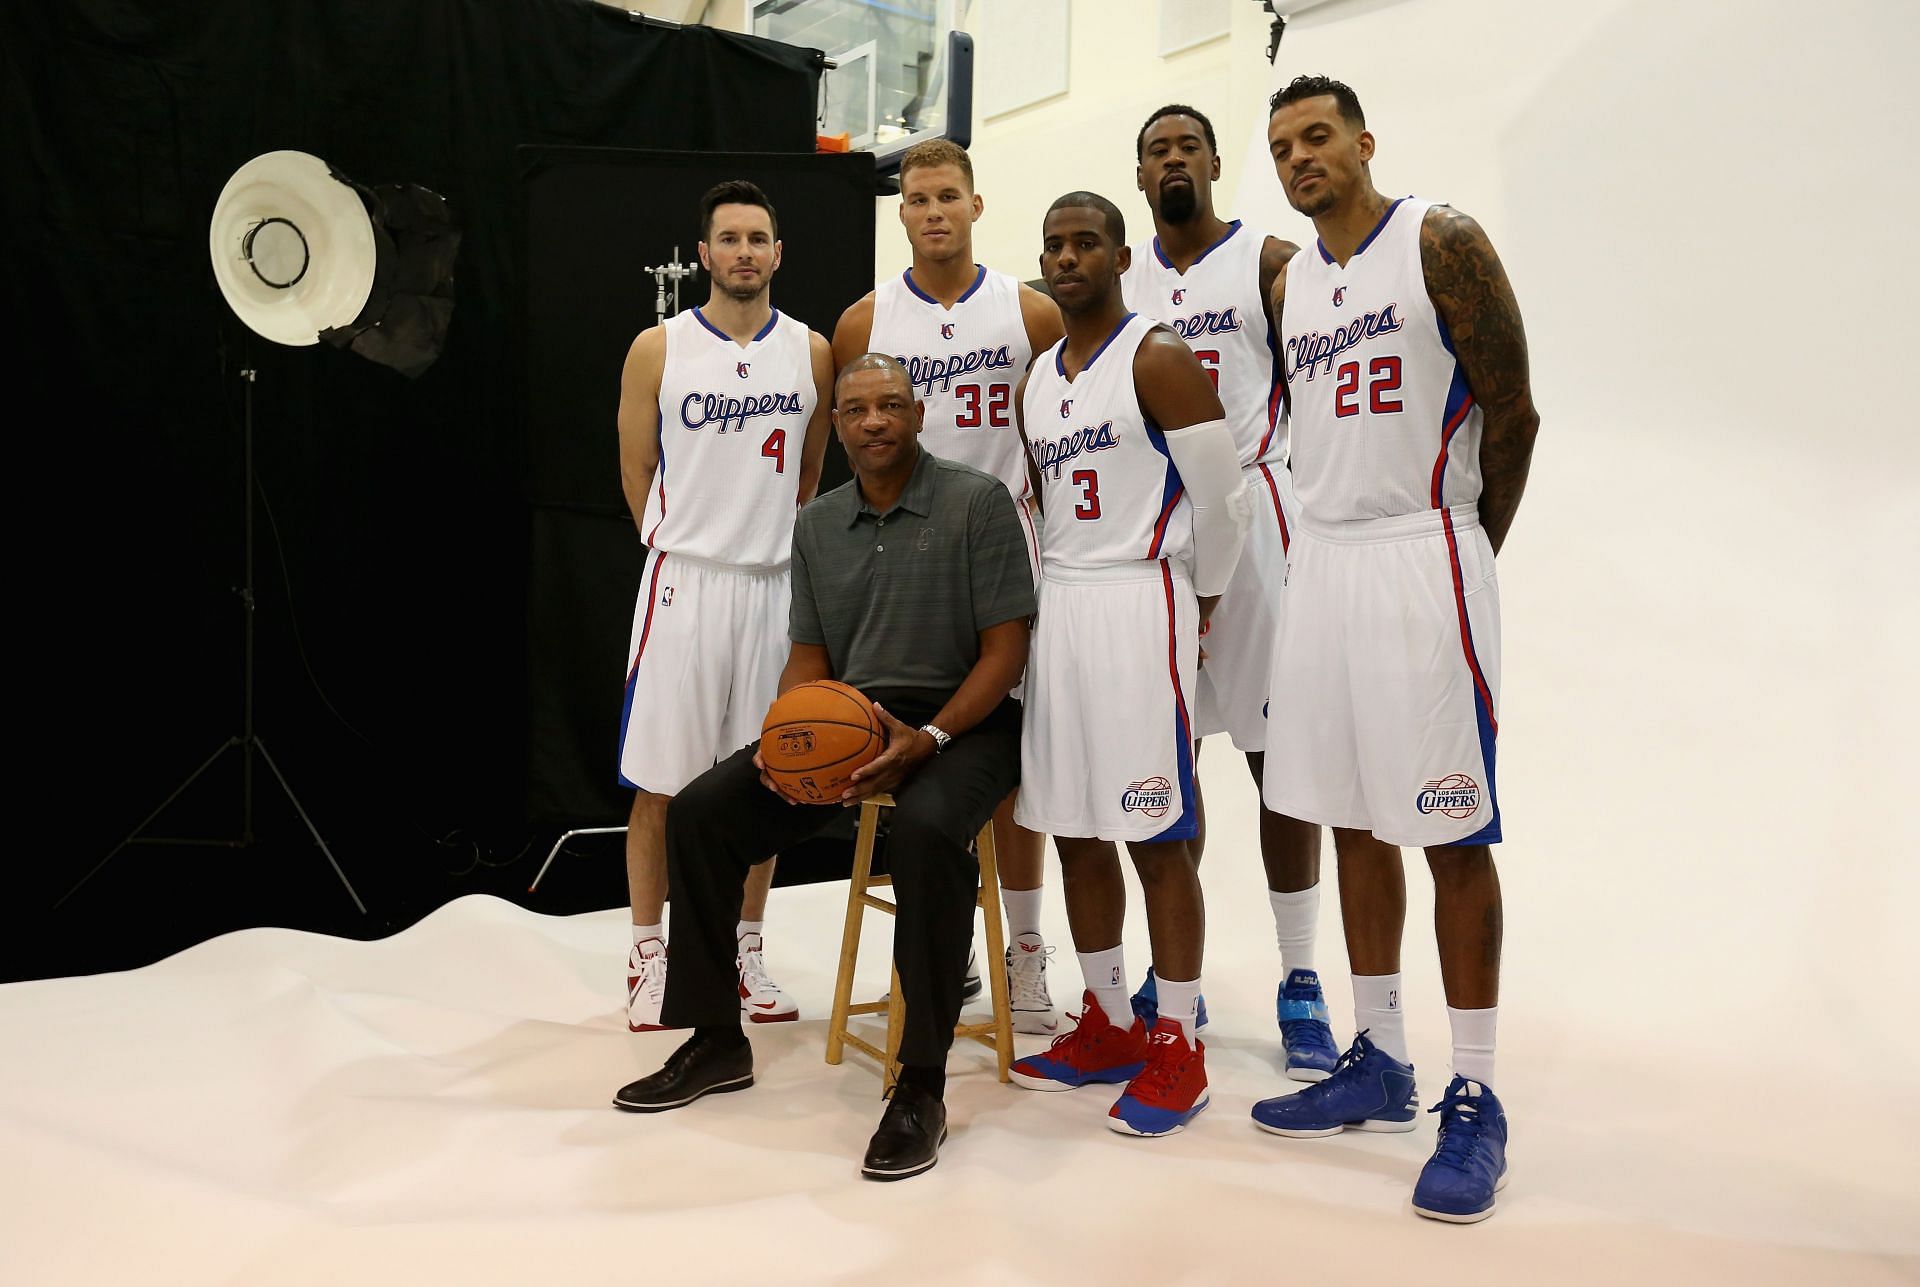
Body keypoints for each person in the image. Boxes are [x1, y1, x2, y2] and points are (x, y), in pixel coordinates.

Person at [612, 353, 1035, 1183]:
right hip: (854, 719)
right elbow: (808, 661)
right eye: (855, 410)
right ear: (835, 426)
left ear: (917, 416)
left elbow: (1006, 654)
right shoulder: (816, 524)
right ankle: (716, 1038)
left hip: (967, 721)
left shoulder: (977, 502)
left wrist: (932, 738)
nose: (873, 420)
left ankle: (920, 1085)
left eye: (889, 406)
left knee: (921, 830)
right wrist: (782, 746)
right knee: (703, 810)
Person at [1250, 76, 1541, 1225]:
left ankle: (1476, 1094)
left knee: (1449, 825)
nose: (1298, 157)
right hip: (1322, 559)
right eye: (1281, 146)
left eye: (1317, 136)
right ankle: (1376, 1056)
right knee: (1350, 814)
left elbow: (1514, 409)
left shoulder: (1441, 240)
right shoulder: (1291, 280)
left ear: (1364, 142)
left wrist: (1467, 545)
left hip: (1425, 549)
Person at [1007, 192, 1249, 1138]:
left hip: (1141, 596)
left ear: (1118, 254)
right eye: (1054, 245)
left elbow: (1223, 501)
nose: (1068, 258)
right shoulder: (1039, 377)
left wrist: (1206, 602)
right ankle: (1106, 1019)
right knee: (1073, 823)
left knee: (1156, 831)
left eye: (1085, 243)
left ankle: (1178, 1040)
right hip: (1061, 606)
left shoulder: (1158, 356)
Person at [1120, 103, 1338, 1082]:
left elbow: (1324, 383)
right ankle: (1179, 971)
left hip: (1252, 526)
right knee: (1167, 758)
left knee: (1275, 762)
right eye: (1156, 149)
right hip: (1150, 541)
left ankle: (1301, 979)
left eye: (1186, 146)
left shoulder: (1268, 261)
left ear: (1212, 162)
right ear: (1139, 174)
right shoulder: (1117, 278)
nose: (1173, 159)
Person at [833, 139, 1067, 1035]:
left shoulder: (1029, 311)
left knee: (1011, 763)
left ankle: (1030, 948)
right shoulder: (865, 320)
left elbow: (1062, 428)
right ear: (902, 214)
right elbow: (847, 450)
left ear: (976, 206)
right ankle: (948, 940)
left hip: (1004, 555)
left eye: (948, 196)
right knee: (904, 742)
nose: (933, 211)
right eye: (918, 198)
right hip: (906, 567)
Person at [614, 180, 834, 1033]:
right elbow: (635, 470)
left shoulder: (812, 351)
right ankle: (647, 953)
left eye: (759, 238)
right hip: (686, 582)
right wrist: (680, 545)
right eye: (729, 239)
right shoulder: (657, 347)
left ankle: (746, 948)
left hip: (773, 588)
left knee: (767, 778)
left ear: (778, 253)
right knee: (662, 783)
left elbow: (812, 477)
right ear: (704, 255)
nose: (745, 251)